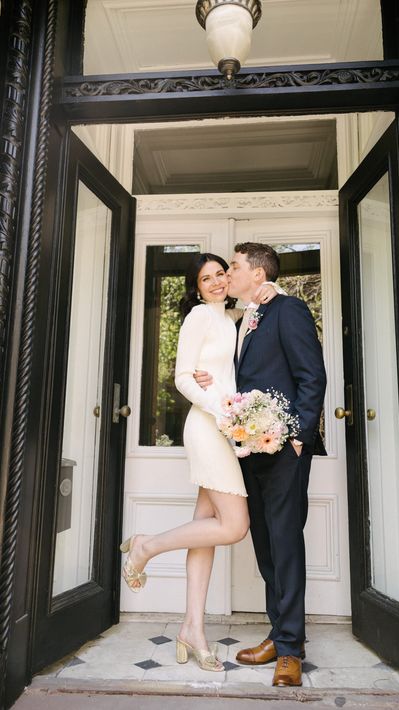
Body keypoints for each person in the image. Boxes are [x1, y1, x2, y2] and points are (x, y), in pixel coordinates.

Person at [119, 253, 279, 673]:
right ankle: (145, 546)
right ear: (196, 285)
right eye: (206, 278)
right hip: (208, 427)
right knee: (234, 525)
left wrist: (273, 290)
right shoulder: (197, 318)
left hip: (226, 428)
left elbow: (260, 308)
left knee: (205, 530)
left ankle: (192, 628)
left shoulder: (230, 318)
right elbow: (183, 377)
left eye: (221, 274)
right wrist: (222, 407)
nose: (215, 282)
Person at [195, 243, 326, 687]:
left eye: (233, 267)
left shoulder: (287, 309)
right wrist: (207, 378)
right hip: (250, 450)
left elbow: (312, 376)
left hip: (284, 449)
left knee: (286, 542)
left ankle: (289, 652)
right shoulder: (244, 320)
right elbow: (241, 377)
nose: (227, 274)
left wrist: (297, 437)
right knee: (266, 545)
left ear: (258, 273)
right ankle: (281, 633)